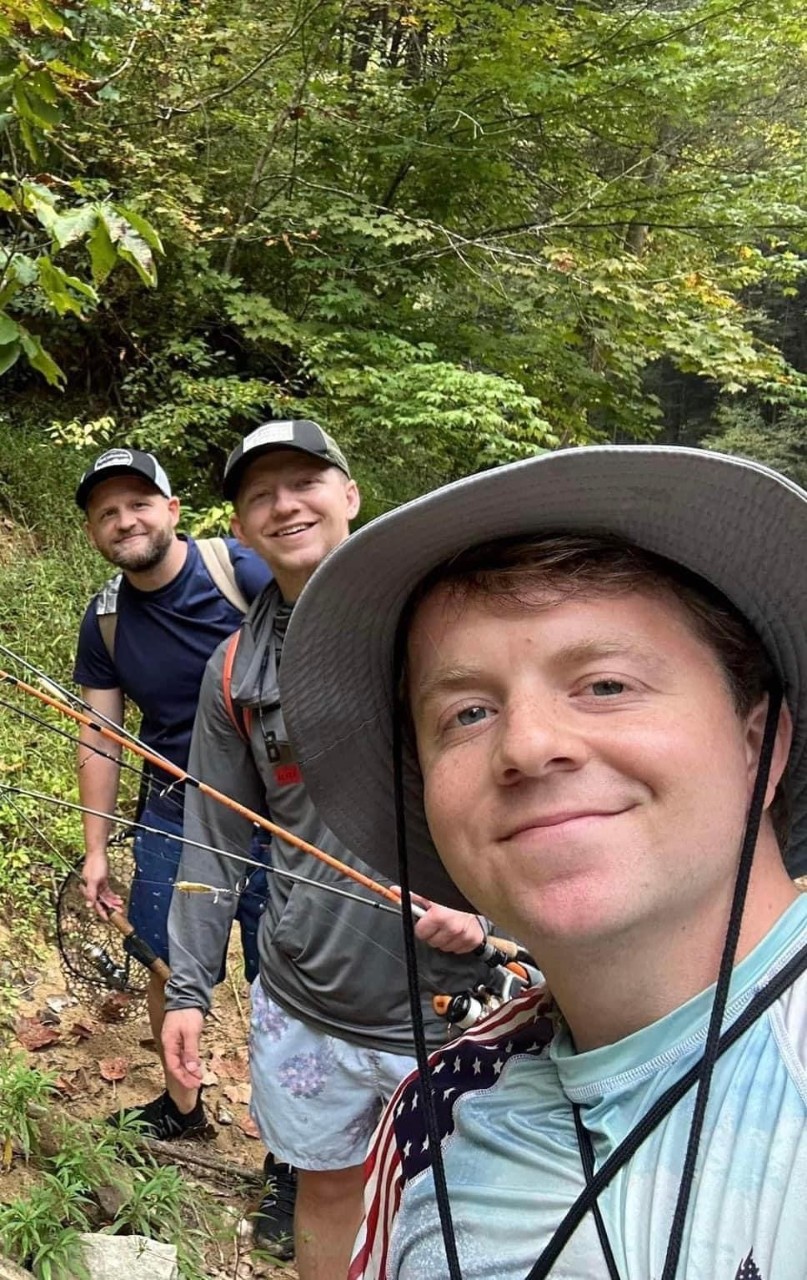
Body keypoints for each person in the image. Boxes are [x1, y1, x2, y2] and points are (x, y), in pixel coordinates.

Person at [278, 445, 807, 1280]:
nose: (526, 746)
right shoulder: (433, 1120)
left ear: (759, 745)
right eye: (467, 712)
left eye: (604, 685)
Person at [161, 419, 497, 1279]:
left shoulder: (445, 631)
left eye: (304, 482)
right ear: (238, 528)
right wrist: (189, 990)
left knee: (470, 1213)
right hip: (306, 1002)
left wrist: (490, 914)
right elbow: (212, 838)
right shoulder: (233, 673)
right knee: (328, 1193)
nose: (283, 505)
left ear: (349, 495)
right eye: (257, 495)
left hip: (461, 1005)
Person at [73, 445, 272, 1143]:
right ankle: (183, 1111)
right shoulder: (105, 619)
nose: (126, 521)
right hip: (172, 811)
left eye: (138, 504)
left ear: (171, 511)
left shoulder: (241, 573)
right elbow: (101, 734)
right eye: (107, 513)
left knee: (279, 985)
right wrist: (96, 847)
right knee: (167, 961)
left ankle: (288, 1159)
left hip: (277, 814)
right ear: (95, 533)